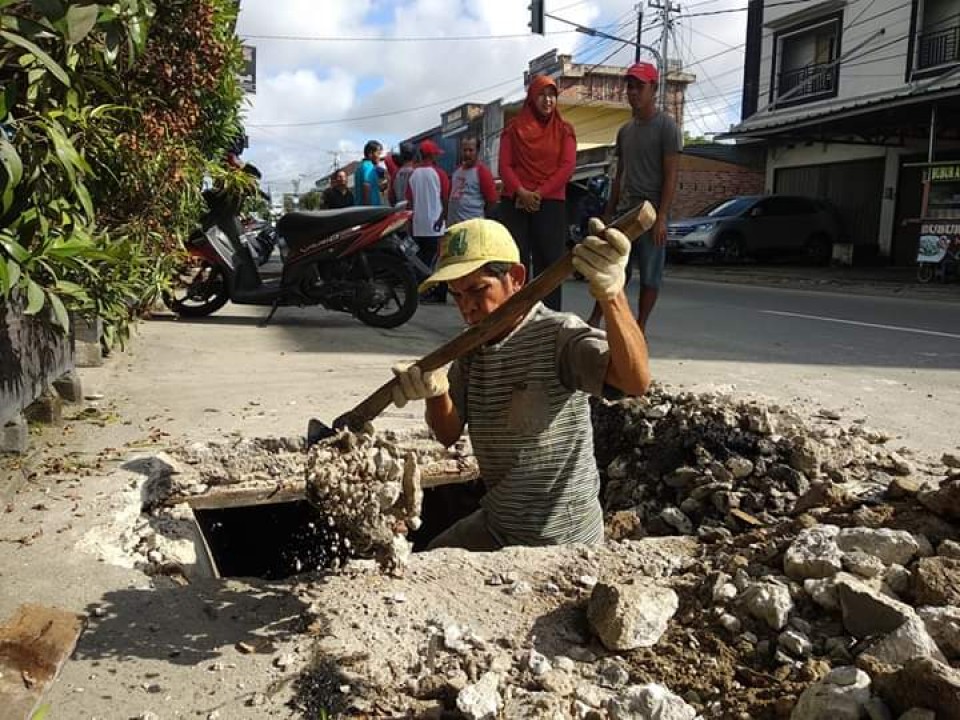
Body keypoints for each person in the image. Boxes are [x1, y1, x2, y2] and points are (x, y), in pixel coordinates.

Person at [389, 218, 651, 550]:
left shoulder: (558, 335)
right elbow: (448, 433)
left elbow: (634, 381)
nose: (467, 307)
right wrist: (437, 394)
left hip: (563, 539)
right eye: (455, 295)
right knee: (428, 564)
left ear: (515, 278)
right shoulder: (469, 349)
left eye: (478, 289)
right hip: (500, 522)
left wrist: (612, 295)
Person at [587, 62, 681, 330]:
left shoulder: (667, 127)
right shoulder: (625, 132)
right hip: (625, 212)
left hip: (652, 214)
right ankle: (596, 319)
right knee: (614, 269)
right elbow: (618, 175)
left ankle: (640, 328)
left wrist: (662, 216)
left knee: (650, 275)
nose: (633, 92)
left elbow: (672, 174)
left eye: (639, 86)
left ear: (653, 88)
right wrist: (608, 213)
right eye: (630, 86)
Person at [497, 75, 576, 312]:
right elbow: (505, 166)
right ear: (531, 97)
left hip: (550, 204)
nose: (547, 100)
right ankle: (513, 317)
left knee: (550, 264)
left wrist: (538, 193)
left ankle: (549, 319)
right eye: (542, 94)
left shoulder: (564, 131)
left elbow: (567, 167)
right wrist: (521, 192)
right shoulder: (513, 129)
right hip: (515, 202)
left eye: (552, 95)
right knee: (515, 262)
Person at [406, 139, 450, 303]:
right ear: (432, 155)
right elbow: (445, 199)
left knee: (421, 261)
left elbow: (409, 202)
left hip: (418, 225)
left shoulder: (413, 175)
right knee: (437, 261)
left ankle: (423, 291)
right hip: (435, 226)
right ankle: (438, 292)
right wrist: (442, 218)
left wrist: (410, 224)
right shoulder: (440, 174)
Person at [447, 136, 498, 224]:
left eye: (471, 150)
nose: (467, 154)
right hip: (455, 228)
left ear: (477, 151)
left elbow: (492, 202)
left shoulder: (482, 172)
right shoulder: (456, 172)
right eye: (464, 150)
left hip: (473, 228)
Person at [354, 139, 384, 206]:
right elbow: (366, 185)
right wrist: (368, 209)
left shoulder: (359, 168)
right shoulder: (368, 167)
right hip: (370, 210)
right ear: (370, 153)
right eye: (378, 153)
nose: (379, 157)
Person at [390, 142, 416, 206]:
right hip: (413, 210)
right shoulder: (415, 172)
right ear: (414, 156)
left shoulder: (395, 174)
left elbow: (391, 197)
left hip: (399, 210)